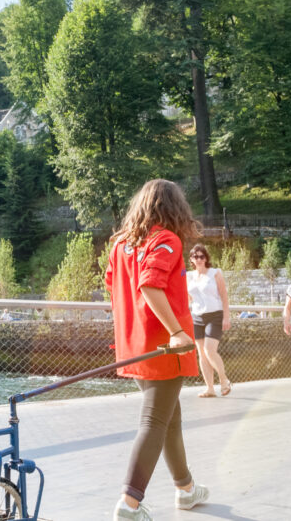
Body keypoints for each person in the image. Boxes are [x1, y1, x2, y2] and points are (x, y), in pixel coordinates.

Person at [104, 179, 207, 520]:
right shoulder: (166, 239)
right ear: (174, 208)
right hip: (163, 346)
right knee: (154, 421)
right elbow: (149, 284)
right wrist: (177, 331)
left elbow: (112, 286)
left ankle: (186, 489)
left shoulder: (121, 244)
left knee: (168, 419)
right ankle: (129, 504)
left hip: (134, 346)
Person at [186, 244, 231, 398]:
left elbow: (224, 295)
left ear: (206, 258)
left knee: (209, 350)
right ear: (191, 259)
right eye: (195, 256)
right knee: (202, 354)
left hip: (215, 315)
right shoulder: (189, 276)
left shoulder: (215, 273)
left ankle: (224, 380)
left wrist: (226, 316)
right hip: (197, 317)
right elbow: (189, 298)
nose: (199, 259)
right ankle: (210, 388)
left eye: (201, 256)